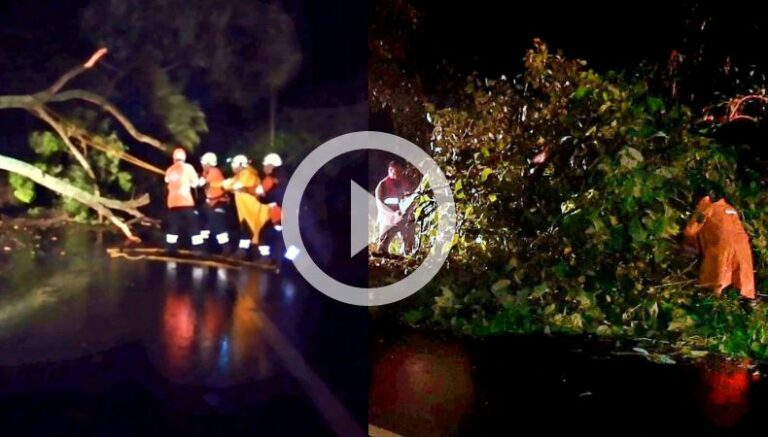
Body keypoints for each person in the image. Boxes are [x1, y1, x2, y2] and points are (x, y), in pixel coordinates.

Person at [682, 195, 755, 300]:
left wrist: (686, 245)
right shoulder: (730, 209)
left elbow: (690, 231)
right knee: (743, 286)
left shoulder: (707, 207)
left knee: (712, 284)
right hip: (743, 247)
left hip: (722, 247)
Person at [250, 153, 299, 264]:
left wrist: (259, 194)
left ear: (271, 165)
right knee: (285, 239)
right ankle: (285, 261)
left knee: (268, 235)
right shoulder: (285, 176)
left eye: (265, 165)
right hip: (288, 213)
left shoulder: (271, 178)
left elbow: (265, 195)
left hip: (279, 214)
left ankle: (276, 260)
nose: (263, 167)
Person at [221, 154, 270, 257]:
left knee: (256, 234)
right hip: (246, 211)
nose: (232, 167)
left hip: (253, 211)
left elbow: (234, 185)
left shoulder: (247, 174)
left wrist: (226, 185)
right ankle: (242, 252)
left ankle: (265, 257)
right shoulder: (241, 175)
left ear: (241, 165)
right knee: (247, 232)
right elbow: (230, 184)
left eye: (234, 164)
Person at [164, 147, 204, 252]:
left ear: (174, 158)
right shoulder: (188, 168)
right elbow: (195, 183)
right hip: (186, 202)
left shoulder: (169, 170)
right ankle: (198, 250)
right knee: (193, 226)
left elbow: (167, 180)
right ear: (184, 158)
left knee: (173, 227)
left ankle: (171, 249)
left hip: (172, 203)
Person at [374, 160, 417, 256]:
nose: (399, 174)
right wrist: (393, 215)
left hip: (404, 216)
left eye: (400, 172)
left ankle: (407, 254)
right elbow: (380, 204)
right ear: (390, 170)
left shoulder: (406, 182)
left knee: (409, 238)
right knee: (384, 240)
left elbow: (412, 197)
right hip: (388, 218)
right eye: (396, 172)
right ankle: (382, 254)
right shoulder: (382, 185)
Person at [198, 152, 232, 254]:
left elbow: (206, 184)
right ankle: (203, 248)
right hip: (211, 203)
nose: (202, 165)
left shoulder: (214, 171)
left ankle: (226, 248)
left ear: (208, 163)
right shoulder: (207, 172)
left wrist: (201, 181)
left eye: (203, 163)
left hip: (218, 202)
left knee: (218, 225)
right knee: (206, 225)